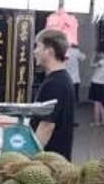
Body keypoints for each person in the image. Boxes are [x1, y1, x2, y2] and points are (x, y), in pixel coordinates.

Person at [30, 29, 77, 160]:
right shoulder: (62, 78)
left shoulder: (55, 83)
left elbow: (46, 126)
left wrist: (30, 159)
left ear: (49, 50)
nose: (35, 52)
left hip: (49, 163)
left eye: (38, 46)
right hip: (57, 160)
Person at [89, 48, 104, 126]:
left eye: (98, 53)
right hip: (102, 84)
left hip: (97, 83)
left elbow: (91, 65)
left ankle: (96, 121)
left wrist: (92, 56)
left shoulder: (103, 61)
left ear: (102, 52)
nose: (98, 55)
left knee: (96, 104)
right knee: (100, 103)